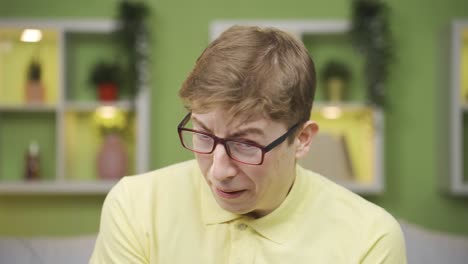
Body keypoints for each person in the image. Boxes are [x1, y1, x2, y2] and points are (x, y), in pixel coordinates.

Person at [90, 25, 407, 263]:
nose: (219, 171)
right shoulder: (134, 206)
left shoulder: (371, 238)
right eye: (203, 134)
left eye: (244, 144)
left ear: (302, 139)